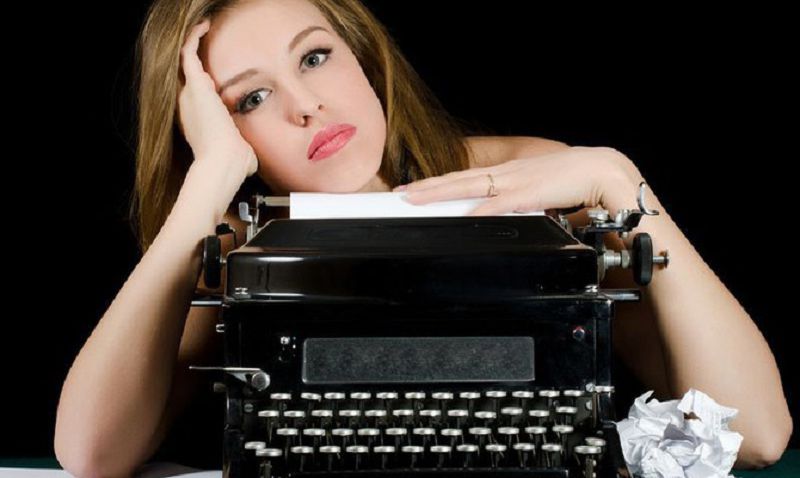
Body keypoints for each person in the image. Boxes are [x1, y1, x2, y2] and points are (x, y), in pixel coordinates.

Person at [54, 0, 792, 476]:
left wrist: (618, 176)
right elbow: (89, 455)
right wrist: (206, 184)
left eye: (315, 57)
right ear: (218, 129)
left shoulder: (549, 183)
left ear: (363, 57)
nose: (306, 105)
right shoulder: (234, 249)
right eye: (251, 98)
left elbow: (757, 432)